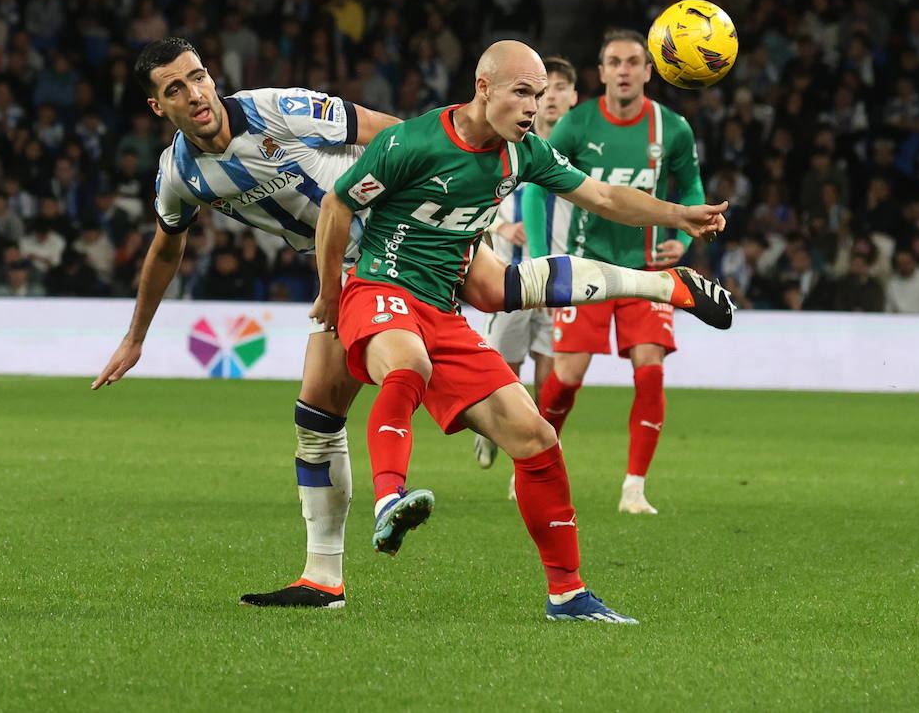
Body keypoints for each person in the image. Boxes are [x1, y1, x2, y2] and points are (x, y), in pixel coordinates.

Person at [91, 38, 731, 611]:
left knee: (483, 297)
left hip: (399, 232)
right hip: (354, 265)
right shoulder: (182, 176)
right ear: (158, 107)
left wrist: (448, 175)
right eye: (175, 88)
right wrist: (136, 334)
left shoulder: (277, 109)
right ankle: (324, 575)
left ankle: (661, 290)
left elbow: (387, 131)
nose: (196, 92)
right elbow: (165, 250)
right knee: (325, 409)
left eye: (198, 76)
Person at [311, 40, 728, 623]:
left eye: (539, 94)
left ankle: (569, 595)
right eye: (522, 93)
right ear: (484, 89)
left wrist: (677, 214)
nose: (534, 107)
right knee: (408, 364)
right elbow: (336, 205)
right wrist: (330, 289)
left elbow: (604, 196)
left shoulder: (523, 153)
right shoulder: (413, 141)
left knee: (536, 440)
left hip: (445, 308)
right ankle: (389, 499)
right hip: (379, 288)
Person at [531, 29, 710, 515]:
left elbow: (689, 185)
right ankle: (534, 464)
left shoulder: (671, 128)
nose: (625, 70)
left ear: (650, 71)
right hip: (588, 267)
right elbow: (535, 185)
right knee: (566, 376)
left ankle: (634, 487)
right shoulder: (577, 124)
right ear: (602, 71)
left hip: (649, 269)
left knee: (650, 372)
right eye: (615, 62)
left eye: (634, 62)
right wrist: (538, 251)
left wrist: (686, 233)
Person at [473, 56, 578, 475]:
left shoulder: (581, 150)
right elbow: (476, 197)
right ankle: (491, 429)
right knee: (508, 373)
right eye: (541, 90)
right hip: (510, 277)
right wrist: (501, 223)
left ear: (573, 97)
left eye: (557, 89)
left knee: (552, 377)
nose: (549, 99)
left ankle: (537, 463)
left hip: (559, 280)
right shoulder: (509, 140)